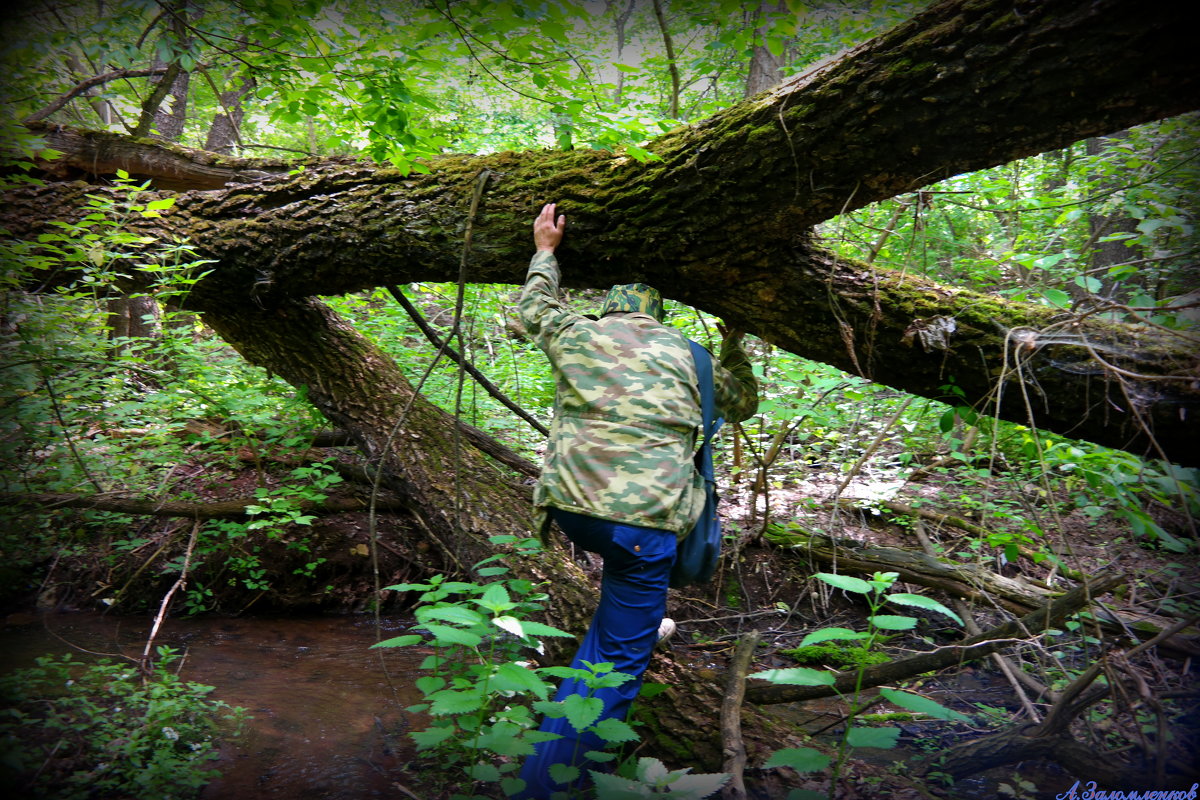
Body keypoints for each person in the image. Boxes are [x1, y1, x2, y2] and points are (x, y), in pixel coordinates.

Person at [512, 203, 758, 798]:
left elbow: (534, 308)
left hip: (572, 510)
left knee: (614, 614)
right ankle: (547, 787)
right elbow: (743, 400)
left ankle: (549, 750)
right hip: (646, 522)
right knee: (621, 655)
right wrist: (733, 341)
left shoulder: (577, 332)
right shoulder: (691, 357)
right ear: (660, 316)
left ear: (612, 310)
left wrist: (546, 251)